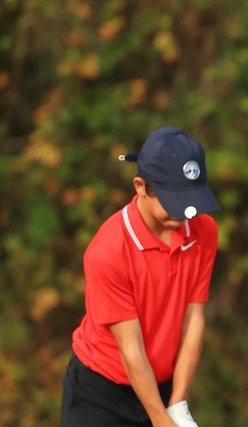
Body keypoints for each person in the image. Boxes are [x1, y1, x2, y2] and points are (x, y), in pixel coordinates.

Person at [60, 126, 221, 427]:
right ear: (140, 186)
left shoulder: (204, 231)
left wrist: (177, 404)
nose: (185, 213)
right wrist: (160, 420)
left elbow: (193, 319)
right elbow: (130, 348)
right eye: (173, 201)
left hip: (161, 384)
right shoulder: (108, 251)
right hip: (100, 393)